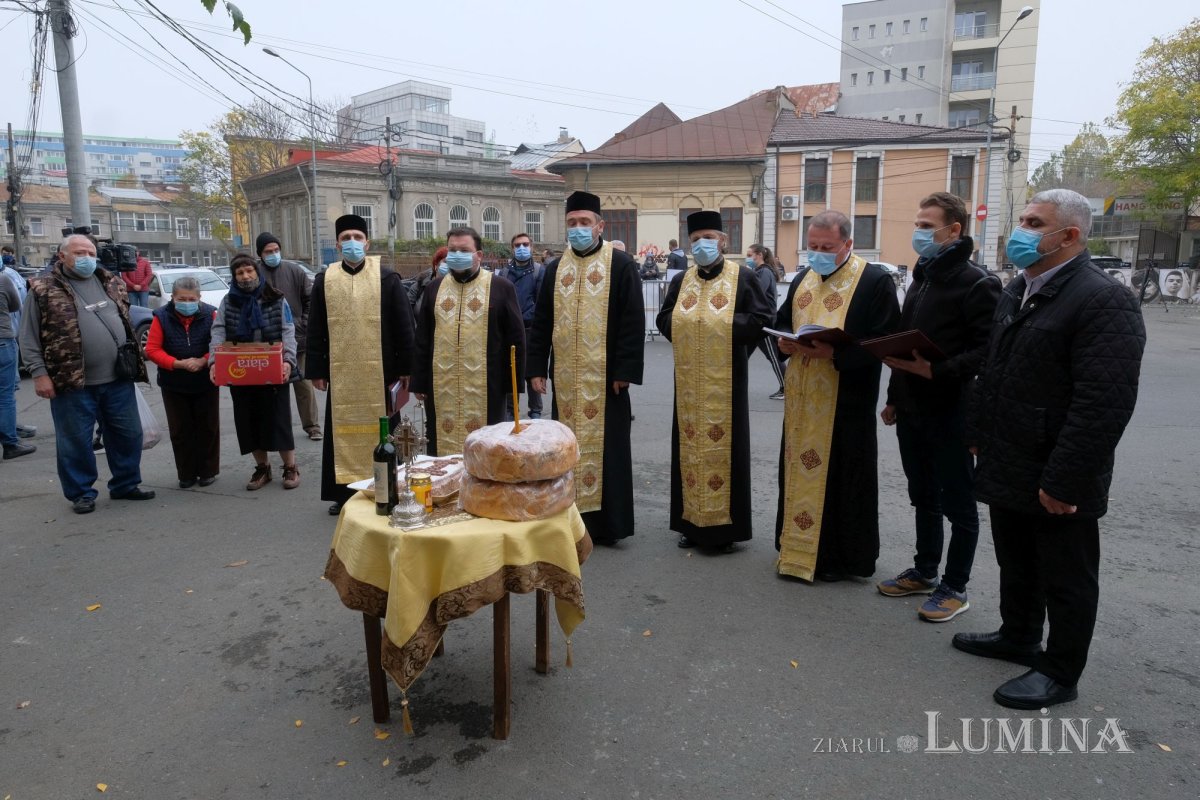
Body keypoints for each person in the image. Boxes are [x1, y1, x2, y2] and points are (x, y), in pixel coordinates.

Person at [956, 189, 1146, 710]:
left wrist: (1065, 479)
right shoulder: (1019, 287)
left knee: (1066, 575)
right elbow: (991, 371)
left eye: (1033, 222)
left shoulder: (1102, 298)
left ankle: (1060, 670)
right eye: (1022, 219)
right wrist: (977, 430)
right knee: (1017, 560)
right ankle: (1018, 636)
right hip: (1009, 453)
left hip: (1056, 467)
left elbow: (1103, 403)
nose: (1021, 230)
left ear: (1070, 236)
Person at [877, 192, 1001, 622]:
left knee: (959, 503)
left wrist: (938, 371)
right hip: (912, 409)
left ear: (954, 231)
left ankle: (955, 586)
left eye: (928, 225)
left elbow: (989, 352)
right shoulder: (922, 276)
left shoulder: (978, 282)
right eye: (918, 223)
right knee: (923, 495)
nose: (919, 231)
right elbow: (905, 344)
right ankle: (925, 570)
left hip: (953, 409)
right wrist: (894, 397)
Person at [773, 211, 900, 581]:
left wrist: (837, 354)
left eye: (827, 247)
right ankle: (794, 549)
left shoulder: (875, 281)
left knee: (843, 481)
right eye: (812, 246)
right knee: (797, 473)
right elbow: (783, 318)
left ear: (848, 244)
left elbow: (883, 341)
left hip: (846, 404)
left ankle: (838, 560)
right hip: (801, 401)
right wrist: (784, 339)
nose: (818, 253)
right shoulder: (804, 277)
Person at [527, 190, 645, 545]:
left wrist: (624, 371)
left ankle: (609, 525)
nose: (577, 229)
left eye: (584, 223)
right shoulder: (555, 268)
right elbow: (543, 320)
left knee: (609, 449)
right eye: (572, 223)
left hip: (606, 379)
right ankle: (567, 515)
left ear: (599, 225)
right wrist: (536, 368)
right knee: (566, 446)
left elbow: (632, 321)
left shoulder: (620, 265)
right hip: (566, 376)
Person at [657, 211, 773, 552]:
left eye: (708, 237)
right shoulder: (682, 281)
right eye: (695, 240)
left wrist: (715, 324)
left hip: (728, 379)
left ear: (722, 241)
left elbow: (762, 318)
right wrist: (690, 325)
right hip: (690, 381)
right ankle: (690, 523)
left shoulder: (743, 277)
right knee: (689, 449)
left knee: (728, 449)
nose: (701, 244)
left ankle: (726, 530)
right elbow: (665, 318)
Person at [20, 234, 154, 514]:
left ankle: (125, 484)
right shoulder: (42, 289)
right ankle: (81, 493)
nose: (87, 258)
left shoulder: (111, 282)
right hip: (71, 382)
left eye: (90, 253)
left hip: (118, 377)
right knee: (75, 441)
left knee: (127, 434)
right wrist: (39, 373)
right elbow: (29, 337)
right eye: (79, 253)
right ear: (62, 256)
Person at [306, 214, 415, 515]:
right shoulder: (324, 280)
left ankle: (388, 488)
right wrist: (317, 370)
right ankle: (343, 494)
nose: (352, 243)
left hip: (382, 372)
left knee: (385, 432)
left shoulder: (387, 277)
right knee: (340, 432)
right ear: (338, 245)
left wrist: (406, 368)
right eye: (345, 238)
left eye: (357, 237)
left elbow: (403, 326)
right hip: (341, 375)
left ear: (367, 242)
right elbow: (316, 327)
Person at [412, 227, 526, 455]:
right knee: (441, 451)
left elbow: (516, 338)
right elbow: (423, 336)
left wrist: (512, 386)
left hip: (488, 387)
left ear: (479, 255)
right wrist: (419, 382)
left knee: (487, 450)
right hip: (441, 386)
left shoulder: (500, 287)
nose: (456, 255)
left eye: (464, 250)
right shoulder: (435, 288)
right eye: (452, 250)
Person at [209, 254, 301, 491]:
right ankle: (263, 468)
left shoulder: (277, 299)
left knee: (278, 420)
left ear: (257, 273)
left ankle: (290, 467)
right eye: (239, 273)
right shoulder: (228, 302)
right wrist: (213, 363)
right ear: (234, 277)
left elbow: (287, 331)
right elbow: (218, 332)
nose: (245, 276)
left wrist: (288, 362)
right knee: (248, 421)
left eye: (249, 271)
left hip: (273, 369)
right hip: (240, 372)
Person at [144, 275, 219, 488]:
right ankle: (185, 474)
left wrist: (203, 361)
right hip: (173, 383)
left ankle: (208, 471)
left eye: (191, 299)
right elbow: (152, 350)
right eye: (182, 299)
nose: (187, 304)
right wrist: (178, 364)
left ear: (199, 298)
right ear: (173, 297)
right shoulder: (161, 316)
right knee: (180, 430)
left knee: (208, 428)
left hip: (206, 381)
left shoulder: (210, 314)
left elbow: (218, 345)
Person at [257, 232, 321, 441]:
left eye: (276, 250)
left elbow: (310, 300)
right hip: (267, 343)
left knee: (303, 385)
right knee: (272, 389)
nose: (273, 254)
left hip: (297, 339)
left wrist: (302, 323)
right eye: (268, 251)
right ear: (260, 254)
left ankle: (312, 426)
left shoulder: (294, 270)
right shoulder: (254, 273)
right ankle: (275, 429)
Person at [496, 232, 544, 421]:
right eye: (517, 245)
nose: (521, 248)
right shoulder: (504, 272)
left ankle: (536, 410)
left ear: (531, 247)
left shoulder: (540, 271)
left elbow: (541, 302)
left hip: (531, 329)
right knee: (511, 369)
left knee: (532, 369)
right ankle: (510, 409)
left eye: (525, 244)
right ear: (512, 248)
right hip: (509, 331)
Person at [1, 257, 34, 460]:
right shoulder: (4, 279)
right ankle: (10, 443)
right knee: (4, 396)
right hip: (3, 340)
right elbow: (15, 305)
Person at [746, 243, 786, 399]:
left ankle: (786, 388)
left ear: (759, 255)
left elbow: (757, 293)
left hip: (764, 321)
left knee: (773, 356)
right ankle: (732, 385)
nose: (747, 258)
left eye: (750, 255)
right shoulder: (760, 271)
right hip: (755, 321)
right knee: (741, 355)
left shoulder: (764, 272)